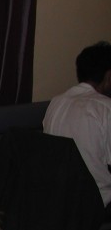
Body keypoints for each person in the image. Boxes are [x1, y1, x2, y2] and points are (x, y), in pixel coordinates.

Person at [43, 41, 111, 211]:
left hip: (57, 199)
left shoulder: (56, 103)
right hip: (96, 204)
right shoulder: (105, 108)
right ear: (108, 76)